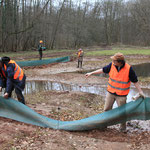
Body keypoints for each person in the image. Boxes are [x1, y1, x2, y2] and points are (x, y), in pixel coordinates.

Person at [85, 52, 145, 132]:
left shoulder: (129, 69)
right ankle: (104, 125)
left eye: (114, 61)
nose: (113, 62)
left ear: (120, 62)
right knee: (106, 109)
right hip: (110, 92)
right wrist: (91, 73)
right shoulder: (111, 65)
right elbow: (103, 70)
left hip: (121, 95)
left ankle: (123, 129)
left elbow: (135, 81)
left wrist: (140, 91)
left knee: (122, 113)